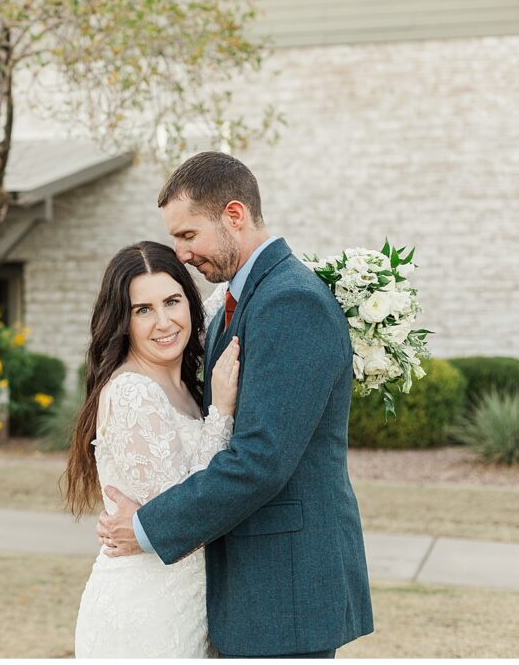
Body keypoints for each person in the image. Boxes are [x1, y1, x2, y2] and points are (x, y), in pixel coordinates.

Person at [96, 151, 374, 658]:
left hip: (283, 589)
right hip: (238, 590)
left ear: (234, 216)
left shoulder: (290, 301)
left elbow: (260, 460)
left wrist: (147, 526)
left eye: (188, 235)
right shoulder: (232, 306)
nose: (180, 254)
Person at [67, 240, 242, 657]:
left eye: (172, 301)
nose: (164, 322)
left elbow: (231, 293)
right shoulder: (132, 392)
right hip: (147, 612)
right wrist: (220, 411)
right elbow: (183, 516)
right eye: (142, 310)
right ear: (123, 321)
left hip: (190, 605)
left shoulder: (181, 378)